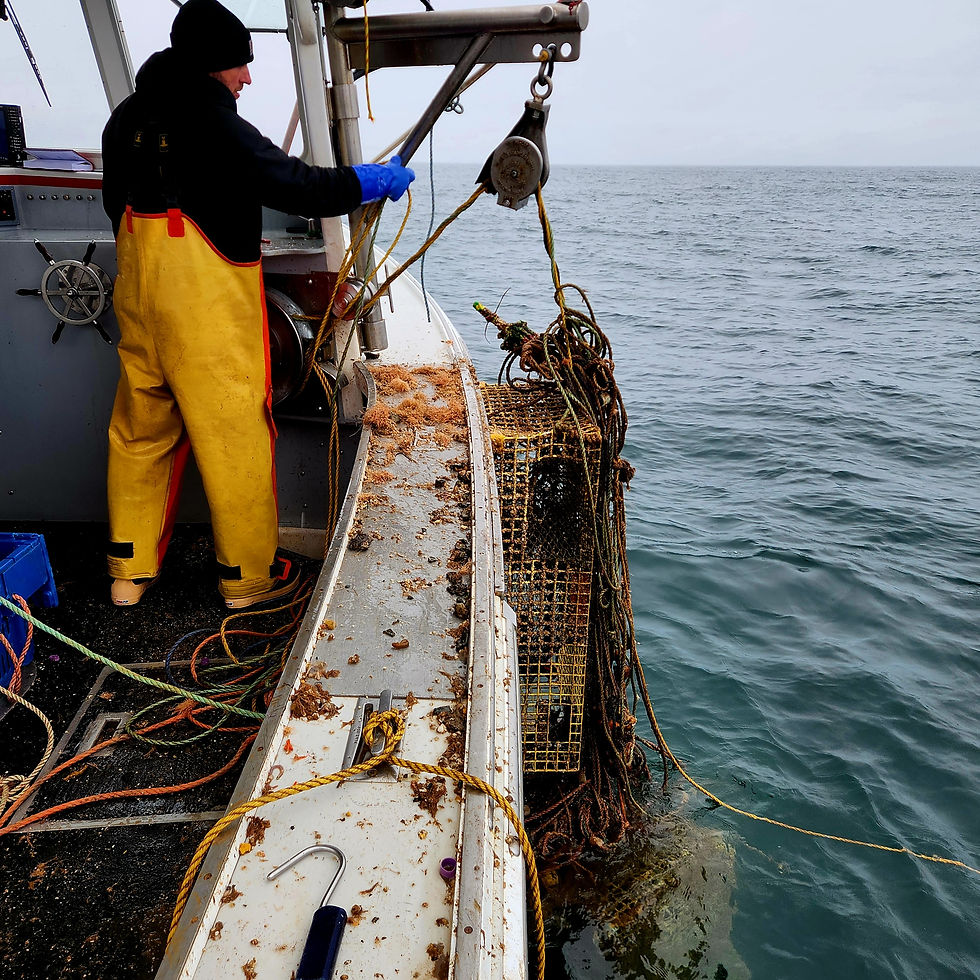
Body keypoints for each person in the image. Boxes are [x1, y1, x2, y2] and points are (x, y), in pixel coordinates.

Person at [101, 0, 413, 608]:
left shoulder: (126, 118)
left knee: (140, 430)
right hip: (205, 312)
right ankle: (249, 582)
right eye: (240, 65)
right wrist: (367, 181)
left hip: (139, 299)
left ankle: (127, 575)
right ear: (213, 66)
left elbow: (117, 204)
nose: (247, 77)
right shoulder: (217, 124)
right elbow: (298, 184)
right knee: (234, 436)